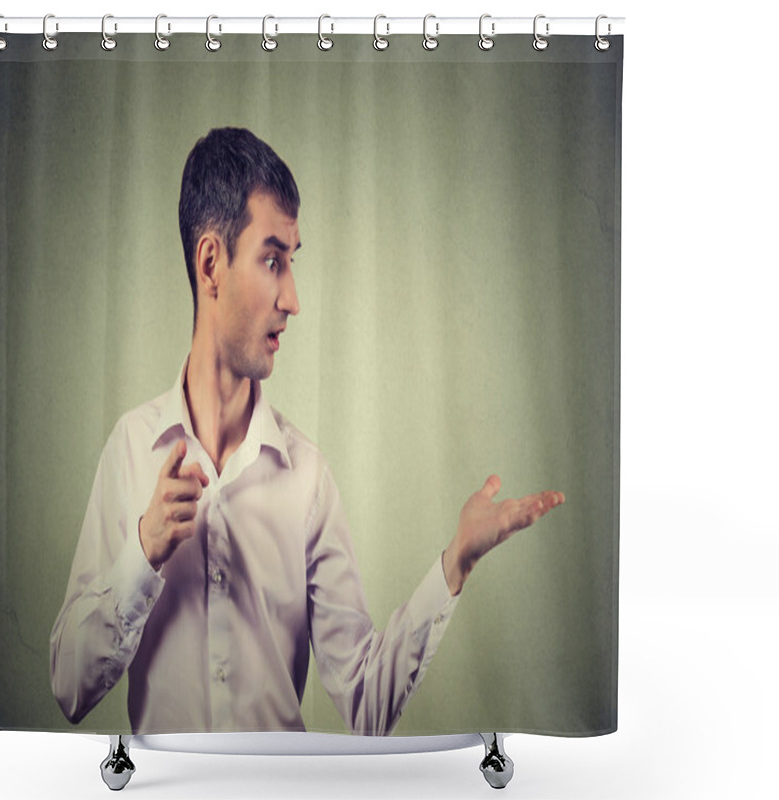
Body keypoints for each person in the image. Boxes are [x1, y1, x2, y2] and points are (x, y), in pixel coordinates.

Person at [50, 127, 564, 736]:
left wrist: (456, 563)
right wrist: (144, 549)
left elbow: (367, 704)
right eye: (273, 260)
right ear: (211, 263)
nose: (293, 298)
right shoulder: (130, 451)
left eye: (292, 262)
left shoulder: (308, 478)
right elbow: (69, 688)